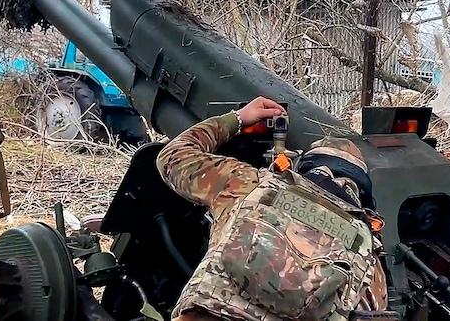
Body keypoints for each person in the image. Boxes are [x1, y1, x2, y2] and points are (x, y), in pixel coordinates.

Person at [156, 96, 396, 321]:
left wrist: (238, 119)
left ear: (304, 167)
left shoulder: (248, 184)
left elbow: (172, 156)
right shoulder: (368, 257)